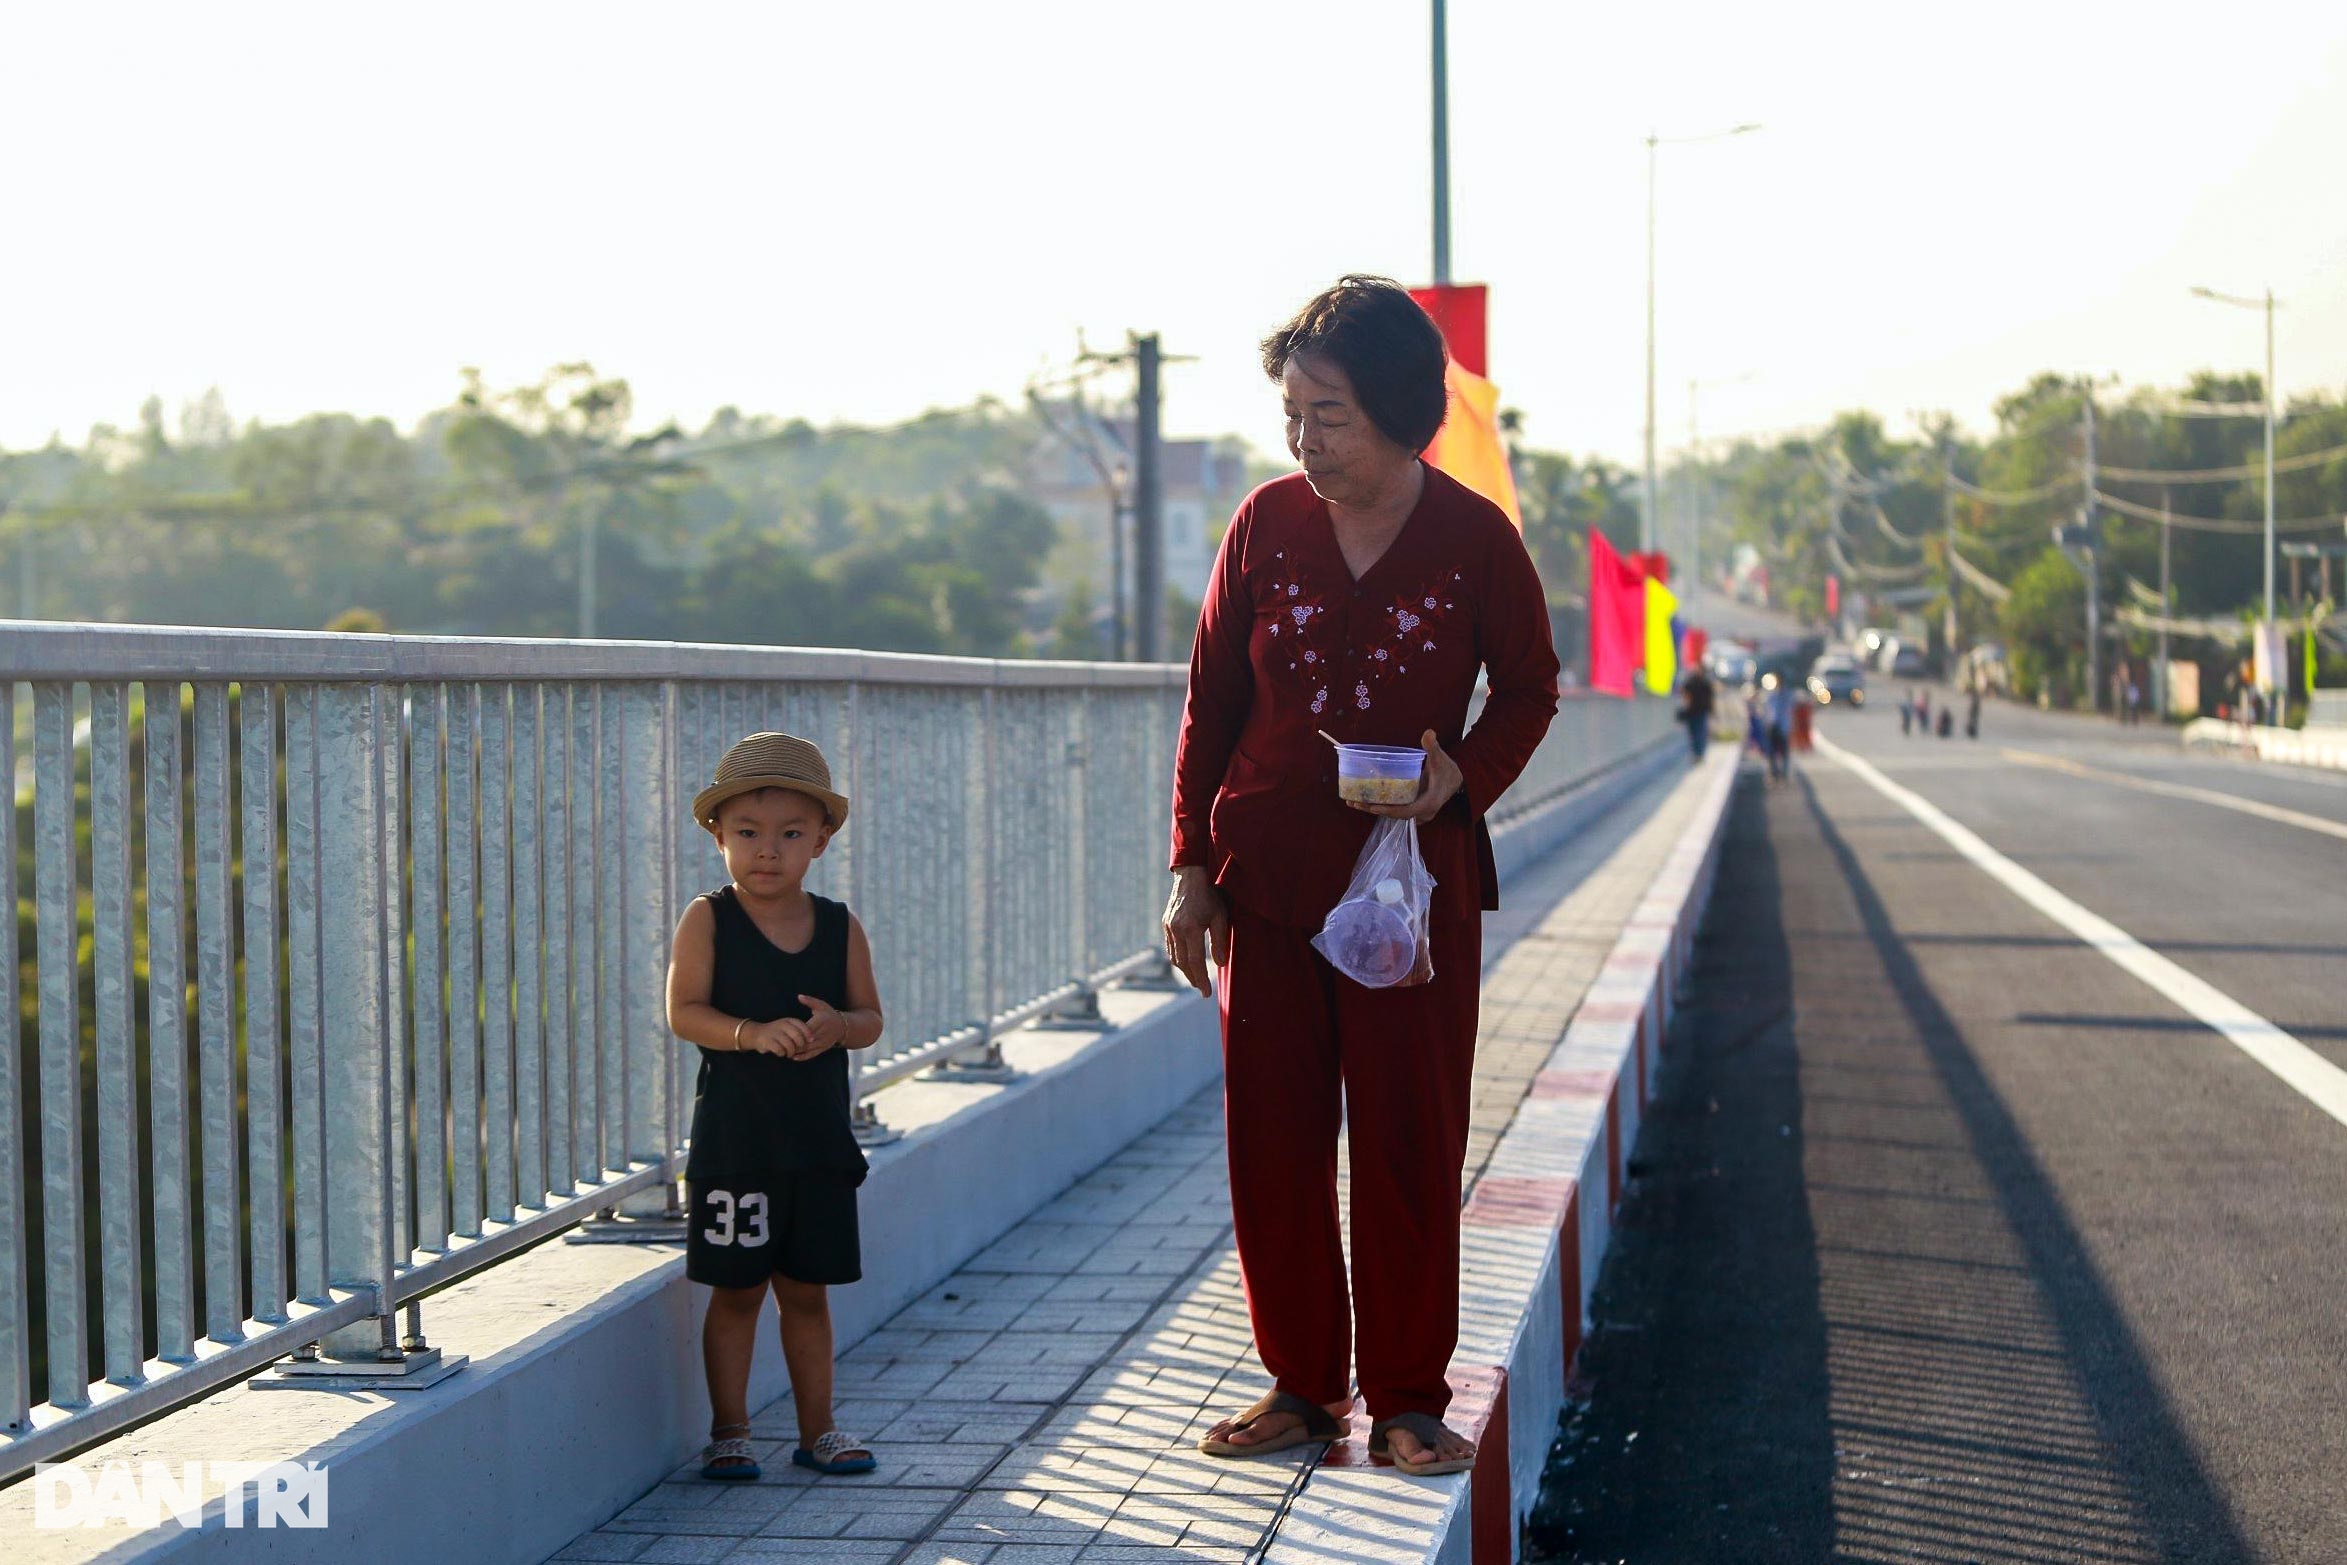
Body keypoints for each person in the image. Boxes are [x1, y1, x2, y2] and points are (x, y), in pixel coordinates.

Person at [1163, 276, 1559, 1478]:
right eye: (1292, 413)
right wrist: (1190, 865)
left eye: (1327, 414)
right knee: (1271, 1141)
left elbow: (1533, 688)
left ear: (1395, 410)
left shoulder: (1474, 538)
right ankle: (1297, 1386)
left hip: (1406, 898)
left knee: (1404, 1139)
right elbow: (1213, 703)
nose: (1304, 440)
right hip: (1265, 883)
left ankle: (1403, 1397)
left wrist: (1462, 777)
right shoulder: (1263, 524)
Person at [666, 732, 888, 1483]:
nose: (768, 851)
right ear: (716, 834)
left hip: (817, 1145)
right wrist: (749, 1033)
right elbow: (683, 1010)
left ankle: (817, 1429)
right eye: (748, 834)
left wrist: (836, 1026)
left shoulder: (837, 925)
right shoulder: (709, 919)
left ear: (821, 840)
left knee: (807, 1291)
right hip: (736, 1143)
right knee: (736, 1290)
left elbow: (869, 1020)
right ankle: (729, 1430)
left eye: (791, 834)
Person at [1678, 665, 1715, 764]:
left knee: (1697, 734)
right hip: (1695, 712)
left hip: (1697, 712)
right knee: (1697, 734)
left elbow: (1710, 697)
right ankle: (1698, 754)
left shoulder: (1701, 683)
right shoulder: (1699, 683)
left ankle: (1698, 754)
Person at [1762, 673, 1793, 783]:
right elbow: (1766, 710)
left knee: (1784, 753)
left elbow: (1791, 708)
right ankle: (1774, 773)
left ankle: (1783, 775)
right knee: (1771, 752)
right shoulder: (1771, 695)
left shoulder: (1787, 695)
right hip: (1772, 726)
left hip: (1783, 727)